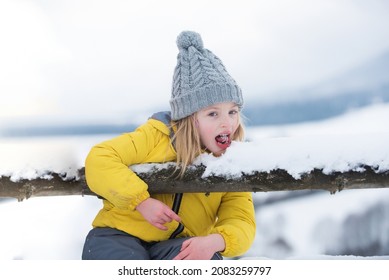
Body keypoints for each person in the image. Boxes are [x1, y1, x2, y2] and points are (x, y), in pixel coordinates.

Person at [82, 31, 256, 260]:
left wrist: (216, 241)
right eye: (213, 113)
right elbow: (101, 158)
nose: (227, 122)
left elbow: (240, 218)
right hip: (118, 237)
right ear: (188, 118)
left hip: (176, 246)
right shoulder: (156, 135)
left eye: (232, 112)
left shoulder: (231, 162)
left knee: (206, 260)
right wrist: (141, 202)